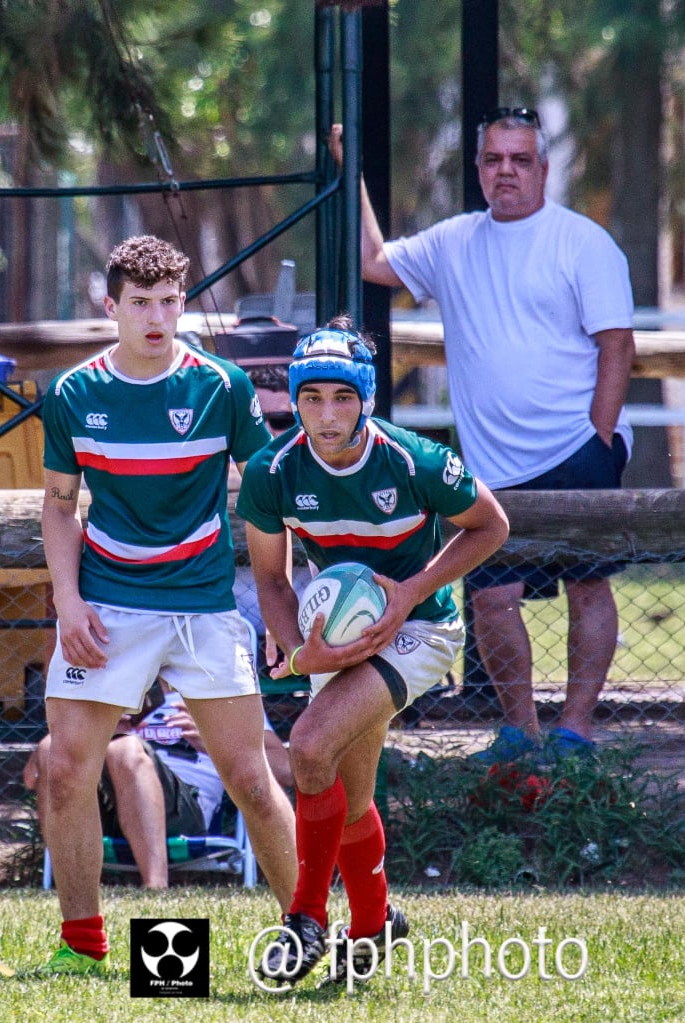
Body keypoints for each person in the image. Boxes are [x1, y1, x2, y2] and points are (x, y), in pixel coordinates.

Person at [35, 235, 298, 976]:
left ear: (183, 304)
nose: (156, 317)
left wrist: (282, 606)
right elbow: (59, 507)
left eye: (169, 302)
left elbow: (270, 496)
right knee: (65, 770)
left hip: (204, 605)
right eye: (141, 303)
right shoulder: (70, 393)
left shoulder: (222, 387)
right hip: (109, 603)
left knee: (250, 776)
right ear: (110, 306)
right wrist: (67, 599)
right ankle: (82, 946)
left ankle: (308, 926)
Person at [340, 112, 634, 760]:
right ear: (478, 169)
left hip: (574, 449)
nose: (506, 170)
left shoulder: (582, 243)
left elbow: (616, 344)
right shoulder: (452, 242)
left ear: (543, 169)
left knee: (589, 585)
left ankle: (576, 731)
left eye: (520, 159)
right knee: (492, 599)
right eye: (494, 159)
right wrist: (348, 164)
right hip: (493, 468)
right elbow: (372, 260)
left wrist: (600, 438)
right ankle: (521, 735)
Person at [240, 320, 510, 986]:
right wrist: (294, 642)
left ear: (365, 398)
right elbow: (272, 580)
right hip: (335, 642)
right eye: (310, 399)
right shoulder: (271, 472)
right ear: (295, 401)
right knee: (351, 799)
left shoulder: (414, 459)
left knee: (307, 745)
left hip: (419, 628)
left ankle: (303, 918)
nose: (325, 415)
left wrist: (409, 591)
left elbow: (492, 525)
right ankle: (372, 925)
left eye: (340, 397)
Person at [24, 687, 292, 889]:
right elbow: (32, 778)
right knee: (52, 747)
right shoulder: (115, 692)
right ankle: (68, 898)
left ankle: (155, 889)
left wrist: (217, 739)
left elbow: (286, 770)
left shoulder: (220, 694)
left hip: (186, 809)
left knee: (126, 750)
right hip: (108, 809)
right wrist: (100, 729)